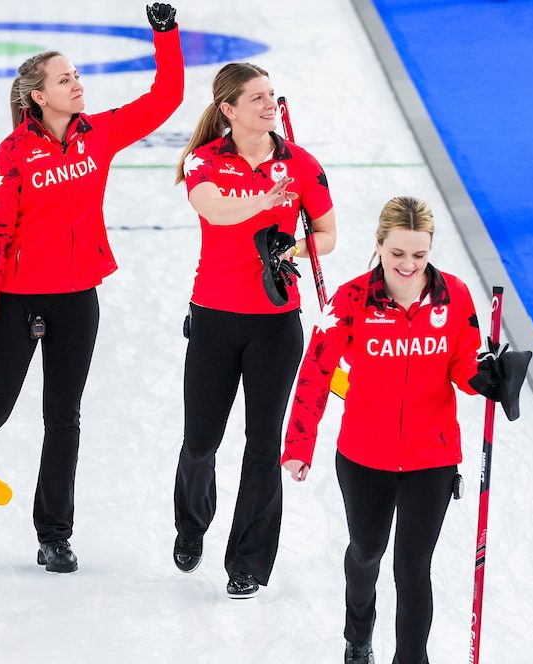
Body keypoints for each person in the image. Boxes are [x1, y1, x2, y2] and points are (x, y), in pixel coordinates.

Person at [0, 3, 184, 573]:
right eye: (65, 79)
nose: (78, 84)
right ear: (39, 96)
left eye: (77, 75)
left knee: (63, 418)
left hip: (77, 299)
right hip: (17, 302)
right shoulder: (14, 155)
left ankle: (54, 536)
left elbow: (165, 97)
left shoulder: (101, 135)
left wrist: (165, 33)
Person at [281, 196, 525, 664]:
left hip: (431, 458)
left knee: (412, 568)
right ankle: (358, 634)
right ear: (379, 245)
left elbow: (461, 367)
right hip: (363, 456)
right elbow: (315, 371)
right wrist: (298, 444)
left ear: (430, 249)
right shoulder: (351, 299)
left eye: (419, 254)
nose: (408, 265)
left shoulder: (453, 296)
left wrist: (489, 379)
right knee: (366, 554)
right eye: (397, 254)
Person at [172, 62, 337, 599]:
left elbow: (329, 233)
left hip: (275, 323)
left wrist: (295, 248)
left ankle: (248, 562)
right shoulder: (204, 159)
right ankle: (192, 525)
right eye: (257, 97)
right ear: (229, 109)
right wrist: (263, 202)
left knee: (263, 444)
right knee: (200, 441)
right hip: (215, 318)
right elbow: (212, 210)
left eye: (272, 96)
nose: (269, 105)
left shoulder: (301, 164)